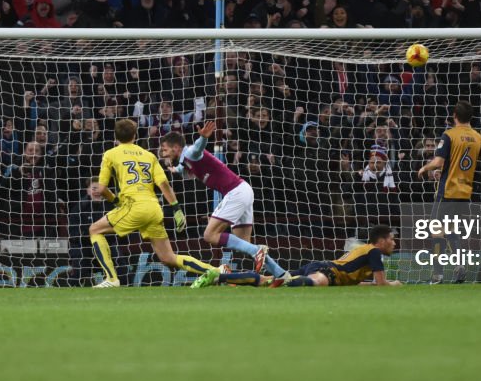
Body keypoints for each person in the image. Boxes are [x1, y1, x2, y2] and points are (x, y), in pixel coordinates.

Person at [89, 118, 218, 288]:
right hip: (154, 209)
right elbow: (164, 184)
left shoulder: (110, 154)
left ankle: (111, 279)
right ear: (135, 135)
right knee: (168, 258)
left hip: (133, 206)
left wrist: (115, 200)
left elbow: (102, 188)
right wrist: (177, 209)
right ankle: (215, 271)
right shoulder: (149, 155)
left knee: (95, 230)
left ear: (116, 136)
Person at [158, 121, 288, 285]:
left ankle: (257, 251)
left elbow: (197, 149)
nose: (163, 153)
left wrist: (203, 138)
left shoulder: (190, 152)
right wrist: (175, 169)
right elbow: (184, 170)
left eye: (165, 149)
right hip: (244, 190)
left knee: (209, 235)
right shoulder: (186, 161)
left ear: (176, 147)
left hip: (235, 192)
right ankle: (281, 273)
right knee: (243, 243)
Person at [195, 225, 401, 288]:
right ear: (380, 241)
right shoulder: (374, 252)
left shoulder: (364, 250)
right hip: (326, 272)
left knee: (267, 281)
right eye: (391, 239)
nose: (394, 243)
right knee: (310, 283)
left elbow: (359, 283)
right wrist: (395, 283)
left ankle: (221, 276)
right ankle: (284, 280)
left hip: (322, 266)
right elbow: (381, 284)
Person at [416, 100, 481, 284]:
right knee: (452, 229)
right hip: (465, 192)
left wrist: (425, 168)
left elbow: (438, 161)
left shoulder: (449, 135)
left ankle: (437, 274)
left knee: (436, 230)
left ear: (454, 116)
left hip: (447, 190)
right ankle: (460, 264)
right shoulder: (478, 137)